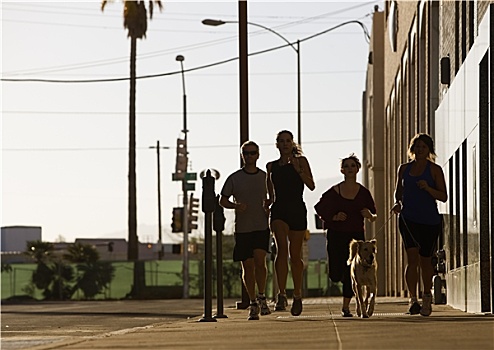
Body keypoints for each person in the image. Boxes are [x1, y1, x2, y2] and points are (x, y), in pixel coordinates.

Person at [314, 153, 377, 317]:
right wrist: (333, 217)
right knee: (336, 273)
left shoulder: (363, 193)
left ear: (358, 169)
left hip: (356, 238)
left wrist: (368, 215)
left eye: (353, 166)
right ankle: (345, 285)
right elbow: (319, 207)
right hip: (336, 235)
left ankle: (346, 307)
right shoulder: (335, 191)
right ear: (342, 170)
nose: (350, 169)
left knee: (352, 270)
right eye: (346, 166)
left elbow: (374, 215)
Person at [391, 133, 447, 316]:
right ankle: (412, 299)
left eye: (423, 147)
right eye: (417, 147)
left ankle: (426, 296)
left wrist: (428, 188)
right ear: (412, 149)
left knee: (425, 261)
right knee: (412, 258)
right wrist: (397, 204)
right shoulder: (404, 169)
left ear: (429, 150)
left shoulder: (435, 170)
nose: (420, 150)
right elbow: (398, 192)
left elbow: (443, 196)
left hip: (430, 220)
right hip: (408, 219)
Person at [264, 130, 315, 316]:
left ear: (292, 143)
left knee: (295, 255)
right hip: (279, 210)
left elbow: (311, 185)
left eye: (288, 141)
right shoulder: (271, 166)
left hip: (297, 209)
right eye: (281, 141)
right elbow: (269, 192)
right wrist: (267, 203)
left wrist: (298, 169)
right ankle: (281, 294)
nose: (285, 144)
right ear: (276, 144)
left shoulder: (301, 161)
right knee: (281, 251)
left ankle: (298, 294)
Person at [220, 141, 271, 320]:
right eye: (246, 153)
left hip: (261, 226)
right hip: (243, 229)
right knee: (247, 266)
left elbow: (273, 198)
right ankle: (252, 302)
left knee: (260, 261)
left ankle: (262, 296)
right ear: (242, 155)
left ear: (258, 155)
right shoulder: (234, 178)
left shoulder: (265, 177)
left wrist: (269, 206)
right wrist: (235, 206)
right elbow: (222, 200)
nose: (249, 156)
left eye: (252, 153)